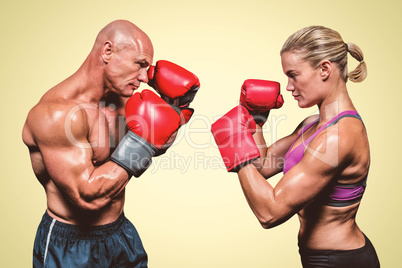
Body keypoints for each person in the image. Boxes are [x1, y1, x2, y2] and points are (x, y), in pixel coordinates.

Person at [22, 20, 199, 267]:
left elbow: (151, 147)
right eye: (140, 64)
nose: (145, 77)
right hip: (70, 246)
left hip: (120, 232)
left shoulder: (123, 101)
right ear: (108, 51)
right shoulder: (57, 115)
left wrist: (174, 111)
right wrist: (145, 141)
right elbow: (87, 196)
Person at [211, 26, 380, 267]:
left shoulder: (339, 136)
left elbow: (269, 213)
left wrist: (236, 148)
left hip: (341, 260)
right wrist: (255, 120)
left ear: (324, 69)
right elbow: (263, 165)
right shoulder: (312, 124)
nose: (288, 86)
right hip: (318, 257)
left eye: (294, 75)